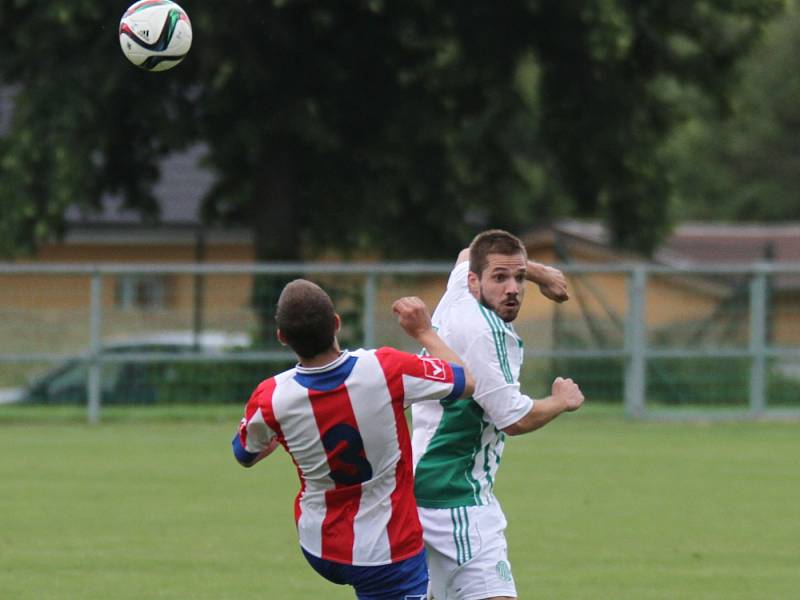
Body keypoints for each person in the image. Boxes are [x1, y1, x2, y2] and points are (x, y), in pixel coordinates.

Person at [232, 279, 475, 600]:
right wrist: (424, 332)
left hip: (320, 544)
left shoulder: (270, 397)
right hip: (386, 550)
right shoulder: (386, 368)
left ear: (282, 337)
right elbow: (465, 381)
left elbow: (245, 453)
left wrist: (280, 432)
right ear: (336, 323)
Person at [411, 229, 585, 600]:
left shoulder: (459, 294)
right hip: (457, 495)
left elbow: (465, 252)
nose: (513, 288)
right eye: (500, 278)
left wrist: (540, 273)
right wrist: (561, 400)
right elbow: (515, 418)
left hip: (424, 483)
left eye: (518, 278)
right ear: (476, 282)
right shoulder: (484, 334)